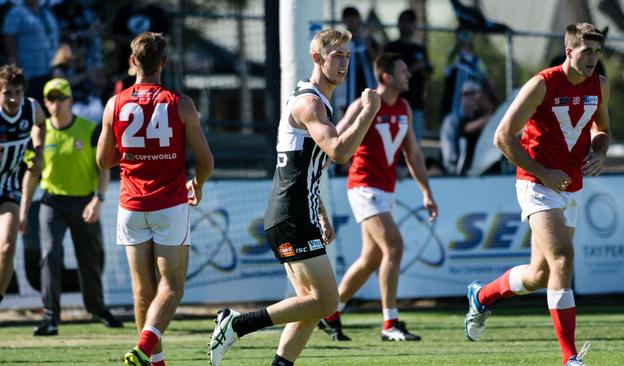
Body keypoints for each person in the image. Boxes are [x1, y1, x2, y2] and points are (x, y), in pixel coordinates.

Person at [209, 29, 381, 366]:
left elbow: (302, 167)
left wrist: (321, 212)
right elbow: (339, 151)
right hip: (290, 215)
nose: (344, 62)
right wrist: (367, 112)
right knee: (327, 301)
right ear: (317, 58)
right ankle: (237, 324)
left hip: (298, 212)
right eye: (337, 56)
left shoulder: (317, 103)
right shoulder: (310, 102)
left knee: (309, 304)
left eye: (347, 55)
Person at [464, 23, 610, 366]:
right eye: (587, 51)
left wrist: (599, 152)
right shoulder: (541, 84)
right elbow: (502, 137)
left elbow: (602, 130)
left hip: (570, 186)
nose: (593, 59)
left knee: (540, 274)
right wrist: (543, 171)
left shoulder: (600, 85)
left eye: (598, 52)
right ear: (569, 51)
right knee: (563, 259)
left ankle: (481, 295)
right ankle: (570, 357)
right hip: (535, 183)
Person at [96, 32, 213, 366]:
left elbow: (104, 161)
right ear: (163, 63)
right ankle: (147, 348)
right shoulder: (181, 103)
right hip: (170, 205)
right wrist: (198, 184)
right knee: (172, 286)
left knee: (141, 289)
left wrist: (136, 152)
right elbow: (206, 161)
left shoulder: (114, 104)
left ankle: (154, 361)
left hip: (131, 207)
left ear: (133, 62)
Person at [319, 53, 438, 342]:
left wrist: (426, 192)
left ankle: (330, 313)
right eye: (403, 70)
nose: (409, 75)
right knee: (394, 246)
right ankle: (390, 323)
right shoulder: (364, 104)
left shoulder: (405, 107)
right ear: (385, 77)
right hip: (363, 187)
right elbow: (335, 140)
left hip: (385, 191)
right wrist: (315, 177)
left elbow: (413, 153)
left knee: (371, 258)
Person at [18, 78, 122, 336]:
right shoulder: (39, 135)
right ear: (45, 102)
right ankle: (51, 317)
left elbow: (104, 166)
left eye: (60, 98)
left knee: (90, 257)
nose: (55, 104)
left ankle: (97, 309)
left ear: (71, 101)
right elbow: (32, 174)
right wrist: (22, 211)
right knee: (50, 255)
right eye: (50, 99)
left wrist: (98, 199)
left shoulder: (90, 129)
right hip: (52, 202)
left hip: (85, 201)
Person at [0, 64, 45, 306]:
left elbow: (41, 123)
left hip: (8, 187)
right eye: (7, 92)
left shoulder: (31, 107)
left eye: (17, 92)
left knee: (7, 248)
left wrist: (38, 152)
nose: (13, 98)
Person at [384, 9, 433, 142]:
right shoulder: (391, 47)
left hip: (416, 104)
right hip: (394, 102)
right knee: (393, 141)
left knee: (414, 143)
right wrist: (413, 68)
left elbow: (428, 75)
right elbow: (385, 73)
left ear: (414, 25)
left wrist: (421, 69)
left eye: (409, 22)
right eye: (403, 21)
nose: (406, 25)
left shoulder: (420, 49)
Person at [2, 0, 59, 106]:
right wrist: (15, 64)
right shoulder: (16, 12)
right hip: (28, 74)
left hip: (48, 72)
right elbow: (9, 37)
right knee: (29, 107)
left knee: (47, 108)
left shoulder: (46, 13)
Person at [440, 78, 496, 175]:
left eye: (474, 93)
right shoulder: (453, 121)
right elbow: (449, 150)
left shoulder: (480, 116)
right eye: (466, 94)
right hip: (458, 172)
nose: (470, 97)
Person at [333, 6, 378, 117]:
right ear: (343, 20)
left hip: (368, 91)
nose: (351, 20)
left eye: (354, 17)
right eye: (348, 17)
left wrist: (367, 43)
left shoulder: (369, 40)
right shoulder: (339, 42)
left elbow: (376, 61)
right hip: (347, 96)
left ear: (359, 19)